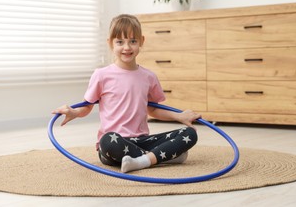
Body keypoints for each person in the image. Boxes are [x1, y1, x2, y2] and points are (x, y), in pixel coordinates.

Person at [52, 14, 200, 173]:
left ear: (142, 41)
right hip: (116, 143)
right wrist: (74, 112)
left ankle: (143, 160)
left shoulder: (149, 77)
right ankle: (160, 157)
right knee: (107, 140)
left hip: (142, 140)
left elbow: (153, 109)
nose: (127, 47)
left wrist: (180, 116)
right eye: (120, 42)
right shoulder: (101, 75)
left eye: (133, 41)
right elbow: (87, 107)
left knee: (189, 133)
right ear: (110, 43)